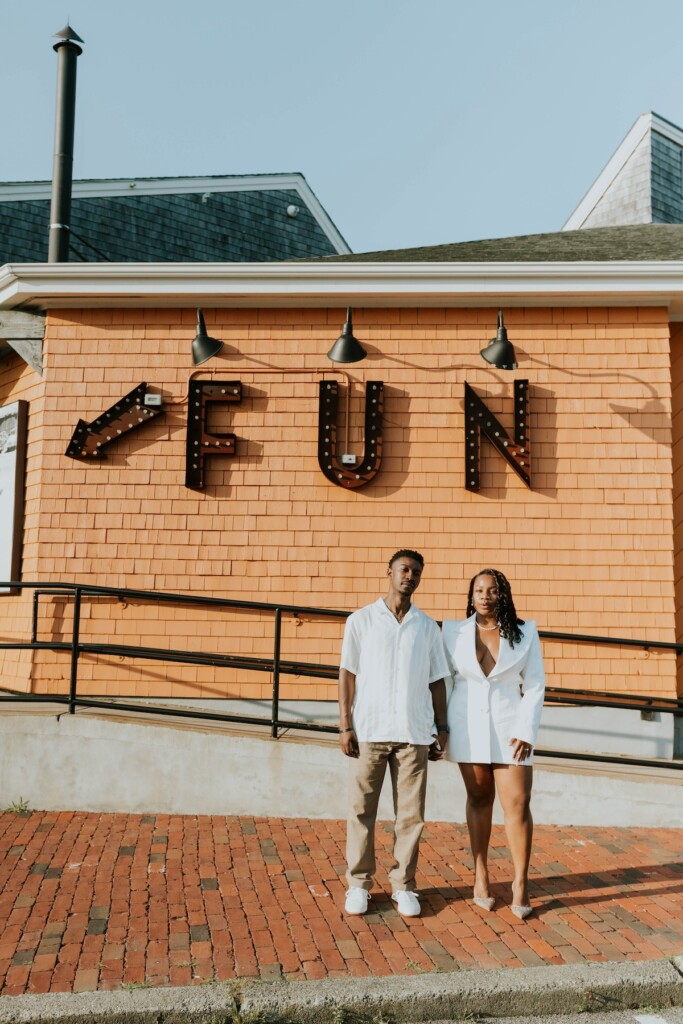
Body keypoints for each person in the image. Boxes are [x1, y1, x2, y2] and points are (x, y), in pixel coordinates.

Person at [338, 549, 449, 918]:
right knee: (361, 810)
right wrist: (345, 724)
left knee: (411, 815)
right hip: (369, 729)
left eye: (416, 571)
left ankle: (404, 886)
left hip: (414, 732)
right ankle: (359, 885)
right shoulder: (361, 621)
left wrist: (441, 727)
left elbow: (437, 681)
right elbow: (347, 675)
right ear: (389, 572)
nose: (410, 576)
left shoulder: (427, 627)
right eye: (404, 569)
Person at [442, 569, 545, 920]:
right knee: (479, 798)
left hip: (510, 726)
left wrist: (527, 730)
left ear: (503, 594)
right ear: (471, 595)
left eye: (492, 590)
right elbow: (443, 681)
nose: (485, 596)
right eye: (479, 590)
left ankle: (520, 880)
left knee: (517, 803)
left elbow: (534, 685)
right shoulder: (452, 632)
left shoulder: (525, 631)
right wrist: (439, 727)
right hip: (466, 724)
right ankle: (481, 873)